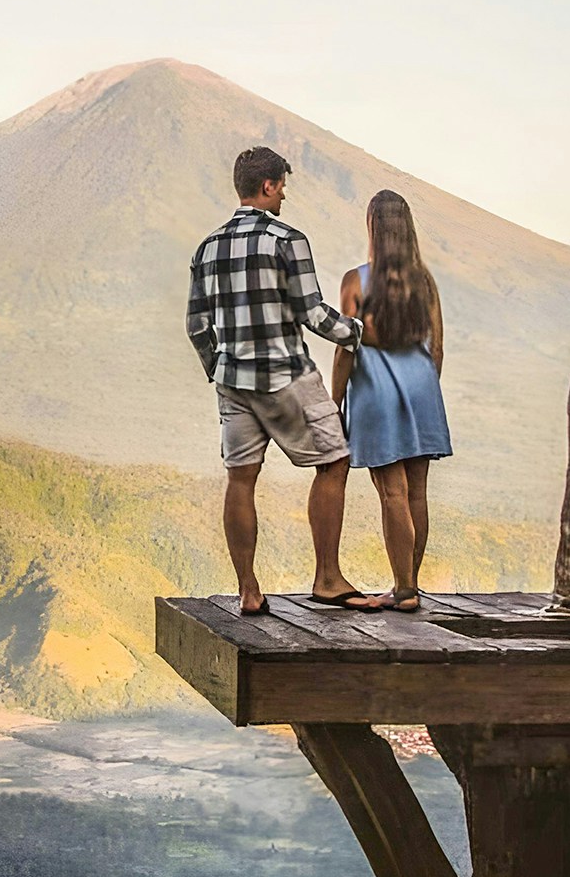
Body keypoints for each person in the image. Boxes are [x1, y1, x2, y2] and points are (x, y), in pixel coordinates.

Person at [186, 146, 377, 615]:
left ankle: (249, 590)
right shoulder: (286, 239)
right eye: (282, 188)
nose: (284, 197)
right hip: (285, 373)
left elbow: (195, 325)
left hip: (232, 381)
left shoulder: (206, 247)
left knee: (241, 480)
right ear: (268, 186)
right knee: (334, 460)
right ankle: (328, 578)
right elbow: (310, 312)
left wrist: (221, 369)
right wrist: (358, 333)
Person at [331, 190, 452, 613]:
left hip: (376, 391)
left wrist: (335, 400)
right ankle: (409, 586)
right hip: (422, 388)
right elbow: (437, 348)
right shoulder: (425, 282)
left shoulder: (355, 281)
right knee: (417, 493)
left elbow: (346, 347)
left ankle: (403, 591)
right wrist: (423, 385)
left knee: (393, 494)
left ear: (373, 229)